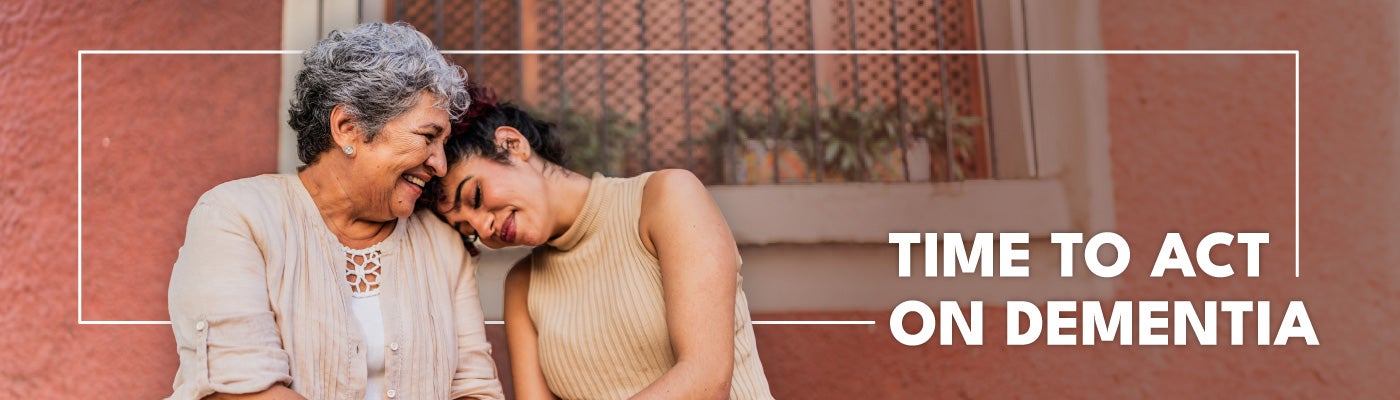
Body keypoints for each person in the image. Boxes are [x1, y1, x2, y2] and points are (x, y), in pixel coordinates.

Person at [166, 22, 503, 400]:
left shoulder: (440, 245)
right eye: (427, 137)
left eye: (443, 143)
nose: (439, 165)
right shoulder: (236, 216)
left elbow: (475, 389)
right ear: (347, 128)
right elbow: (243, 388)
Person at [429, 84, 775, 399]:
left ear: (511, 144)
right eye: (468, 230)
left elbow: (706, 379)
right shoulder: (523, 286)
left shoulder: (665, 199)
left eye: (475, 196)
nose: (483, 227)